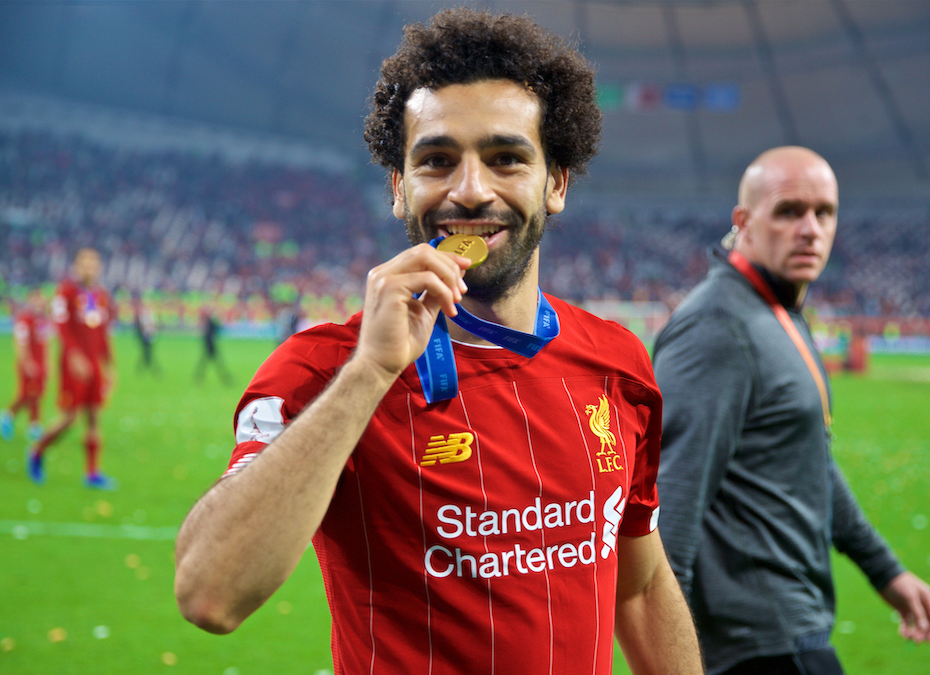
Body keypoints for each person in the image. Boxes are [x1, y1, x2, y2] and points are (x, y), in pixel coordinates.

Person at [175, 9, 702, 675]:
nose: (471, 189)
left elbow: (641, 583)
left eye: (507, 158)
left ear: (557, 183)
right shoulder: (322, 370)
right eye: (437, 160)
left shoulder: (617, 361)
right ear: (400, 188)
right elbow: (209, 592)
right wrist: (371, 370)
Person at [652, 146, 930, 675]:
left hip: (789, 631)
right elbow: (671, 506)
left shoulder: (775, 311)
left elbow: (811, 459)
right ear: (743, 222)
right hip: (756, 645)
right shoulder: (717, 328)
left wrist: (884, 571)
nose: (810, 228)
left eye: (823, 212)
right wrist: (675, 661)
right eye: (789, 211)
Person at [27, 248, 116, 489]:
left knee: (95, 417)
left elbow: (104, 334)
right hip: (72, 366)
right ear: (77, 266)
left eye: (94, 263)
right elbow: (62, 328)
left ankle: (92, 472)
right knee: (70, 418)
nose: (90, 268)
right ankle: (37, 450)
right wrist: (74, 356)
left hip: (94, 366)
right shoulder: (65, 292)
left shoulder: (102, 296)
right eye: (85, 263)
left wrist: (110, 367)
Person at [0, 288, 51, 442]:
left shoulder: (42, 319)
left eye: (41, 298)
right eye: (36, 298)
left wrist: (47, 362)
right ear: (30, 300)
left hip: (40, 363)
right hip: (29, 363)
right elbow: (20, 343)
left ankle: (34, 425)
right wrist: (27, 362)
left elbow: (45, 342)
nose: (40, 301)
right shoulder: (24, 319)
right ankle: (8, 416)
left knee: (38, 394)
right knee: (26, 394)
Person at [193, 306, 231, 385]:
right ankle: (226, 378)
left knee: (205, 364)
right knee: (217, 364)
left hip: (209, 345)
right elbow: (217, 329)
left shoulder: (208, 322)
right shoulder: (209, 321)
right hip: (210, 346)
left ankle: (198, 377)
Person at [134, 292, 161, 376]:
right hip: (145, 335)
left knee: (148, 352)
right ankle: (147, 368)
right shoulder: (143, 314)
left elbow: (155, 325)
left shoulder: (151, 314)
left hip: (151, 335)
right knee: (146, 352)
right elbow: (142, 326)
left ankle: (147, 368)